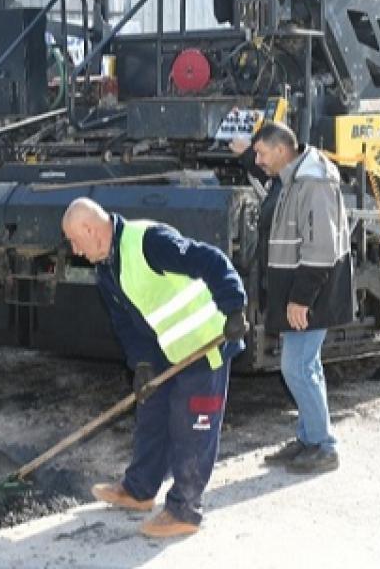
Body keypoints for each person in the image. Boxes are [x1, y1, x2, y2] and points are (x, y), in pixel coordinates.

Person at [61, 197, 248, 538]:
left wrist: (234, 306)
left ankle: (184, 510)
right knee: (152, 412)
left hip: (206, 342)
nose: (74, 250)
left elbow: (210, 259)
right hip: (168, 351)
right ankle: (139, 490)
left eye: (75, 241)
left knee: (192, 427)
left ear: (90, 229)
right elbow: (126, 325)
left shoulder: (148, 241)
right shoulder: (106, 270)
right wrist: (143, 365)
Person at [247, 121, 353, 474]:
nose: (258, 160)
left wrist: (301, 299)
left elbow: (320, 248)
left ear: (281, 150)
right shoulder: (295, 177)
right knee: (305, 366)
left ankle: (324, 445)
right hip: (300, 290)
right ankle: (309, 438)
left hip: (310, 294)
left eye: (261, 153)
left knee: (297, 367)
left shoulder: (313, 182)